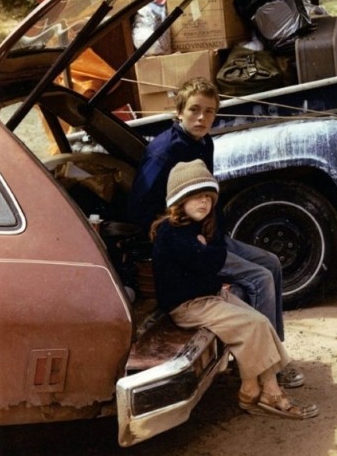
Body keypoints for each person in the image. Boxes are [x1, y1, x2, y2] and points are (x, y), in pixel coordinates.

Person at [128, 77, 303, 388]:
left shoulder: (203, 142)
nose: (201, 118)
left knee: (272, 263)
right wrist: (178, 235)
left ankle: (274, 351)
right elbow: (139, 208)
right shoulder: (164, 152)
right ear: (178, 112)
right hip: (185, 244)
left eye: (209, 112)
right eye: (194, 110)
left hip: (209, 235)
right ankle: (267, 370)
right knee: (259, 277)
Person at [150, 160, 317, 419]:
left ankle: (254, 389)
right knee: (253, 326)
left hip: (210, 296)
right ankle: (266, 393)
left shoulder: (204, 226)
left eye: (207, 196)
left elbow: (214, 256)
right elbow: (209, 261)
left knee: (260, 321)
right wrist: (209, 250)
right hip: (188, 306)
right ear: (179, 201)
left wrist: (209, 248)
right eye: (195, 197)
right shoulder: (170, 232)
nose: (204, 202)